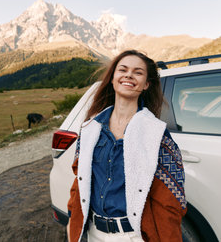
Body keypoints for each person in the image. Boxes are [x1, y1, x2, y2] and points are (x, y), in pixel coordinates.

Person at [66, 50, 187, 242]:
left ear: (146, 84)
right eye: (123, 69)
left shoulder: (156, 134)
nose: (129, 75)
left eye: (138, 72)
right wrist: (73, 223)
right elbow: (79, 183)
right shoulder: (90, 128)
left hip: (132, 236)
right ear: (113, 78)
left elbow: (169, 201)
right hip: (93, 233)